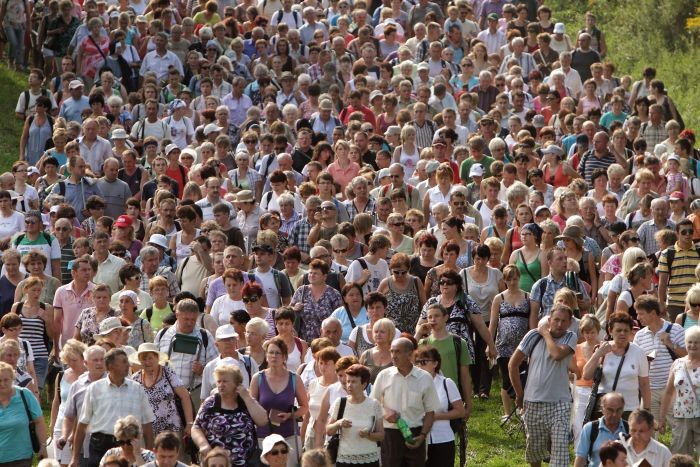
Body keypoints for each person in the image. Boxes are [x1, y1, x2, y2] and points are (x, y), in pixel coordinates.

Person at [508, 304, 577, 467]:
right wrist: (519, 393)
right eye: (556, 320)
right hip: (533, 400)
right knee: (535, 449)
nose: (559, 324)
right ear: (550, 319)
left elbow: (557, 355)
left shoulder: (570, 337)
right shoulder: (533, 336)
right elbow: (512, 364)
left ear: (569, 323)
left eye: (564, 321)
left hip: (560, 401)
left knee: (560, 447)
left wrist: (545, 333)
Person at [70, 348, 155, 467]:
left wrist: (149, 456)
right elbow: (83, 423)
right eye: (124, 362)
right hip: (100, 446)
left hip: (129, 446)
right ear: (110, 366)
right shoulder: (94, 388)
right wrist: (75, 458)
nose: (128, 365)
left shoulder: (137, 389)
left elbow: (147, 424)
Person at [370, 337, 439, 467]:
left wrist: (423, 435)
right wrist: (385, 412)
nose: (393, 356)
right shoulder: (384, 375)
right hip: (390, 434)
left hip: (415, 434)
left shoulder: (424, 378)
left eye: (397, 352)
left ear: (410, 354)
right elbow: (372, 404)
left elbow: (430, 412)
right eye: (392, 352)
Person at [192, 364, 269, 465]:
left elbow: (263, 421)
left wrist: (246, 396)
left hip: (246, 461)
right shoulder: (211, 402)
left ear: (237, 383)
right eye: (219, 381)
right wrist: (203, 445)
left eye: (225, 381)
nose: (221, 385)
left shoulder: (246, 401)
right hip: (218, 463)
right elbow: (196, 427)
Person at [250, 336, 309, 464]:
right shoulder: (257, 378)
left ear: (284, 357)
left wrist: (290, 415)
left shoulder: (295, 379)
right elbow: (251, 407)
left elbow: (305, 407)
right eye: (271, 352)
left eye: (278, 353)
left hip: (289, 437)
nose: (274, 356)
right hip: (264, 437)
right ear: (266, 356)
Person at [489, 265, 538, 418]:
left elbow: (532, 322)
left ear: (519, 278)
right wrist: (489, 344)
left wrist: (533, 342)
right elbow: (493, 323)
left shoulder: (527, 297)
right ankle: (507, 412)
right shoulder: (499, 298)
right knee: (506, 378)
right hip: (503, 344)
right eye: (509, 279)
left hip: (522, 345)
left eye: (515, 279)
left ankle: (522, 407)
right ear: (504, 280)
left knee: (523, 376)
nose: (512, 282)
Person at [582, 312, 651, 420]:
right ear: (610, 331)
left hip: (629, 410)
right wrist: (598, 354)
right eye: (618, 330)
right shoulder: (602, 348)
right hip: (604, 410)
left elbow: (644, 383)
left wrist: (646, 410)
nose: (622, 333)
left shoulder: (639, 352)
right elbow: (586, 375)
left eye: (626, 330)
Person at [154, 299, 218, 412]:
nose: (189, 323)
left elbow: (216, 369)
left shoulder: (205, 336)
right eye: (186, 319)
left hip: (194, 394)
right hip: (166, 393)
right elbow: (154, 362)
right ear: (177, 315)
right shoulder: (163, 334)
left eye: (193, 320)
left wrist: (203, 370)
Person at [633, 294, 687, 427]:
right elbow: (636, 362)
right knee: (647, 430)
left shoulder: (676, 329)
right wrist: (645, 360)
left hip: (673, 389)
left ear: (652, 313)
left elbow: (689, 356)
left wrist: (670, 344)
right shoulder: (639, 336)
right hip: (649, 391)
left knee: (678, 430)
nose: (638, 318)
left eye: (641, 314)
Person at [131, 343, 194, 440]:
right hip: (148, 433)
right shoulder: (135, 378)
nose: (147, 362)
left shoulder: (168, 372)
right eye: (144, 359)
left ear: (157, 358)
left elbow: (184, 396)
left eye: (150, 358)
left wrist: (190, 423)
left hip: (172, 429)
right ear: (139, 360)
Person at [326, 363, 384, 467]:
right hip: (345, 460)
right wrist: (338, 423)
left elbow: (381, 435)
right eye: (348, 381)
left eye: (354, 382)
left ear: (364, 384)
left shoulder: (374, 404)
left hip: (369, 460)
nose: (349, 385)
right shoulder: (340, 402)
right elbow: (329, 431)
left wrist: (368, 435)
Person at [658, 325, 700, 457]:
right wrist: (662, 417)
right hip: (681, 417)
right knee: (679, 457)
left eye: (696, 342)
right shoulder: (677, 364)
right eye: (689, 342)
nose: (692, 345)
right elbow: (668, 392)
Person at [0, 361, 48, 465]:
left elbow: (39, 422)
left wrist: (43, 446)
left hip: (21, 458)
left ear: (13, 379)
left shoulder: (24, 394)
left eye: (6, 380)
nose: (2, 383)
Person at [49, 339, 86, 467]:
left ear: (83, 358)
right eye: (68, 360)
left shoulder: (89, 377)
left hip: (82, 427)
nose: (71, 363)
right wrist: (52, 424)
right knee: (61, 464)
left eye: (74, 360)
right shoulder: (61, 376)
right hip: (61, 424)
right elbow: (56, 401)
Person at [657, 219, 700, 322]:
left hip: (696, 302)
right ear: (677, 234)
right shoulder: (667, 254)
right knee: (676, 334)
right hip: (674, 304)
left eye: (690, 231)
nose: (688, 234)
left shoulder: (699, 251)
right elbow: (662, 282)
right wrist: (661, 303)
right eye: (684, 232)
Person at [290, 259, 343, 343]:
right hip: (304, 342)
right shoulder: (301, 291)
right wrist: (294, 308)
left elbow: (340, 318)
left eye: (316, 273)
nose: (312, 275)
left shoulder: (334, 294)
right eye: (310, 273)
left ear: (324, 276)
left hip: (326, 342)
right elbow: (289, 310)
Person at [377, 253, 426, 334]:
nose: (400, 275)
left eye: (403, 272)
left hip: (413, 332)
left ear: (408, 269)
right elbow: (376, 306)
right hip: (391, 332)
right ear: (391, 269)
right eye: (396, 272)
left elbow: (424, 306)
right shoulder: (385, 283)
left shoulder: (416, 282)